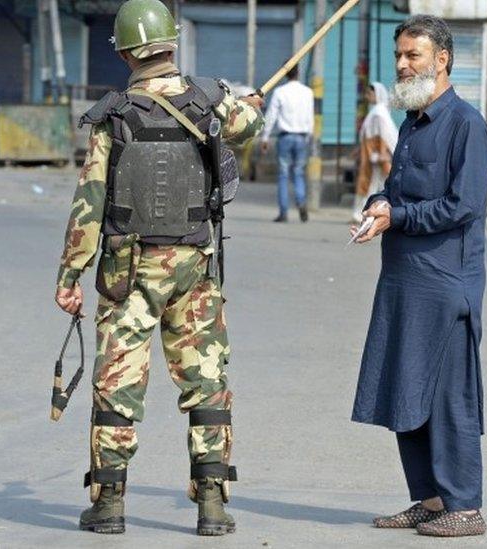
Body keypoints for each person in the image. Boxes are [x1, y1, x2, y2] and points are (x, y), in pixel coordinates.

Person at [54, 0, 264, 536]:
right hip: (194, 267)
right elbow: (249, 124)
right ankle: (213, 504)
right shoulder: (210, 102)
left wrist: (70, 277)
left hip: (129, 273)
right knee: (206, 382)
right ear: (172, 44)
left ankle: (108, 505)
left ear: (125, 52)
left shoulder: (114, 115)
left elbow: (89, 203)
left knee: (117, 384)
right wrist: (250, 105)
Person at [349, 15, 487, 538]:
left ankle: (465, 506)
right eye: (400, 56)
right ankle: (431, 500)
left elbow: (464, 205)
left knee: (448, 396)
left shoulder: (465, 124)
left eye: (413, 55)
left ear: (442, 60)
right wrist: (378, 206)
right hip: (403, 278)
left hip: (445, 283)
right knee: (405, 390)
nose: (404, 65)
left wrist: (401, 217)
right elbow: (396, 186)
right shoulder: (412, 120)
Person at [259, 65, 314, 223]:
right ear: (298, 72)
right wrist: (309, 137)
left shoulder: (280, 92)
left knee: (283, 175)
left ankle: (283, 212)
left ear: (285, 74)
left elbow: (271, 116)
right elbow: (310, 116)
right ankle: (301, 202)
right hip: (302, 137)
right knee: (298, 172)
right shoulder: (308, 92)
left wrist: (265, 137)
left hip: (285, 137)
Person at [352, 82, 398, 223]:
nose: (367, 96)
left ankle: (365, 213)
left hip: (375, 154)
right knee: (374, 183)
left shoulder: (378, 113)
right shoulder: (377, 111)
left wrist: (383, 153)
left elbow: (383, 134)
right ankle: (367, 213)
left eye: (369, 93)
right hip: (371, 152)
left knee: (371, 183)